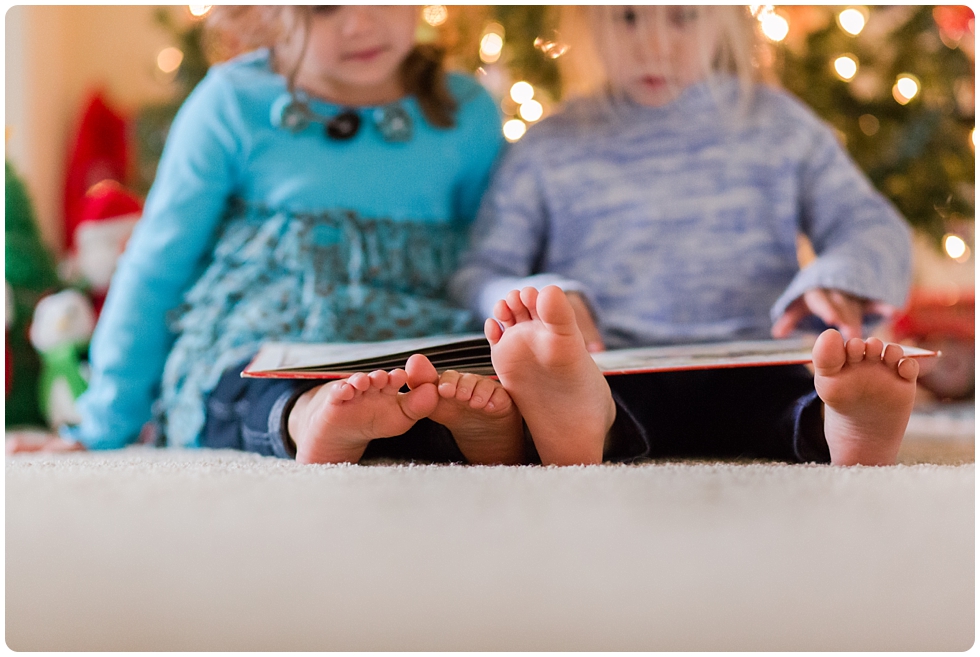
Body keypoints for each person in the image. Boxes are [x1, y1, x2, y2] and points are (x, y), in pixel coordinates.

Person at [9, 6, 526, 466]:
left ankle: (474, 430)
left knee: (440, 389)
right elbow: (156, 265)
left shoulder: (468, 111)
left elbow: (487, 256)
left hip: (411, 334)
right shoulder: (233, 102)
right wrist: (103, 425)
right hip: (261, 336)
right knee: (243, 390)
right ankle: (307, 417)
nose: (361, 22)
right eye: (323, 8)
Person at [450, 5, 923, 467]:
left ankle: (844, 423)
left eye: (683, 16)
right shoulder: (547, 146)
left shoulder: (781, 126)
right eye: (627, 17)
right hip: (614, 368)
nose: (655, 47)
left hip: (755, 363)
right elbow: (483, 270)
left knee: (796, 401)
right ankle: (584, 424)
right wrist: (546, 298)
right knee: (599, 402)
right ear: (586, 19)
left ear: (725, 18)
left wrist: (840, 275)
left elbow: (872, 225)